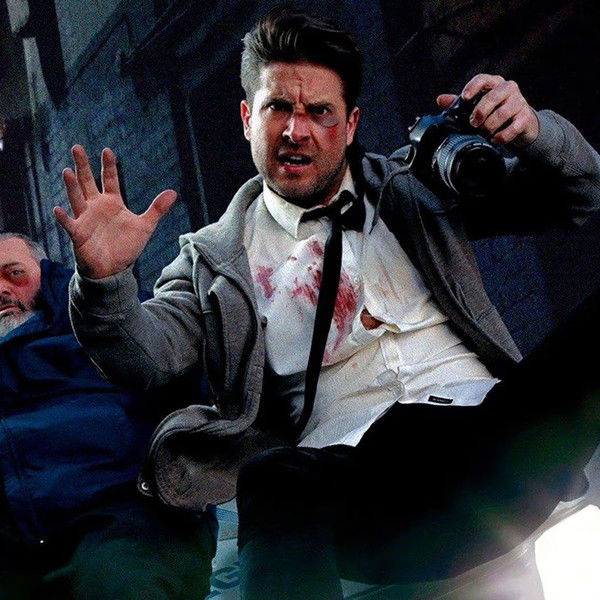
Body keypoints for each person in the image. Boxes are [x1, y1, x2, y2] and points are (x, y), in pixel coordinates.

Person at [55, 7, 600, 599]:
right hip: (359, 488)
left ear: (350, 123)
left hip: (496, 443)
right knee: (271, 477)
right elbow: (142, 356)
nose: (297, 131)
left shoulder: (418, 189)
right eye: (278, 109)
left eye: (319, 112)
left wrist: (535, 132)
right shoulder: (212, 259)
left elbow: (579, 194)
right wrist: (105, 281)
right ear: (247, 118)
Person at [0, 232, 215, 599]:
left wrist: (108, 287)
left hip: (124, 519)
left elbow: (186, 364)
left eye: (14, 273)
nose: (2, 289)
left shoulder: (105, 321)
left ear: (45, 271)